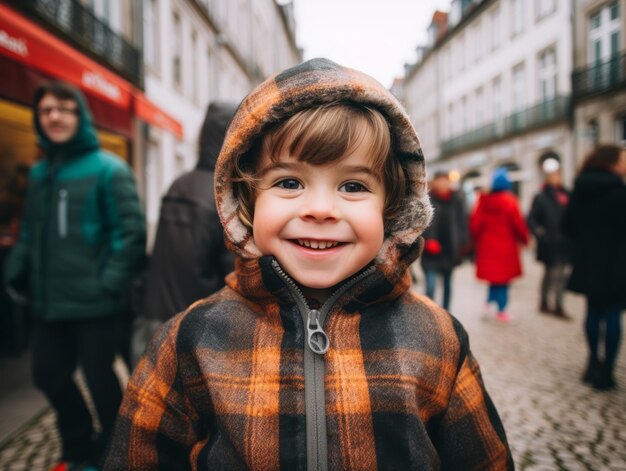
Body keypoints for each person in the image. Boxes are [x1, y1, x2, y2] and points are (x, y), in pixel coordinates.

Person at [104, 58, 513, 470]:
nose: (320, 209)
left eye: (353, 186)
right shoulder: (188, 341)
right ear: (245, 201)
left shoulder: (437, 339)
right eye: (289, 182)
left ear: (391, 209)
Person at [3, 81, 146, 470]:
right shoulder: (39, 173)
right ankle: (78, 445)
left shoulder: (108, 168)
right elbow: (31, 231)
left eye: (64, 109)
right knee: (48, 375)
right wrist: (16, 272)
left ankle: (114, 453)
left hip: (96, 304)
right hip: (48, 301)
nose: (54, 116)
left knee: (101, 383)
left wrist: (108, 283)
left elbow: (130, 233)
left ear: (79, 116)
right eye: (46, 110)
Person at [131, 102, 238, 367]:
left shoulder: (182, 183)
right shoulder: (222, 193)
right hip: (196, 323)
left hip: (159, 314)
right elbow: (228, 270)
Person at [562, 144, 626, 390]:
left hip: (588, 261)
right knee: (612, 315)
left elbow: (567, 226)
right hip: (616, 263)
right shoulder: (620, 191)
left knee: (593, 312)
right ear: (612, 163)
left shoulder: (580, 188)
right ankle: (607, 370)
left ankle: (592, 362)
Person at [470, 167, 529, 323]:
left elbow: (475, 226)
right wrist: (525, 239)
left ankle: (488, 304)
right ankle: (501, 310)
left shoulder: (483, 201)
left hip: (487, 246)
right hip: (506, 247)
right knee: (503, 280)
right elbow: (518, 224)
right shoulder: (510, 201)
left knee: (494, 279)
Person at [527, 159, 571, 319]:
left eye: (556, 175)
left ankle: (559, 304)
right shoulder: (541, 197)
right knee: (551, 273)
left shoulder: (566, 194)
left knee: (562, 275)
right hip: (550, 243)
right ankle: (545, 301)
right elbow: (532, 219)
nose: (554, 178)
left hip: (565, 242)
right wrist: (541, 233)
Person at [420, 171, 468, 310]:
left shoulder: (457, 200)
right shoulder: (427, 199)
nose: (442, 184)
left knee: (447, 285)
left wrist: (462, 243)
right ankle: (429, 313)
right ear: (434, 182)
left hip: (450, 250)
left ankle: (447, 313)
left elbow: (463, 222)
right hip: (431, 253)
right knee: (430, 286)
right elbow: (420, 224)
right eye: (439, 181)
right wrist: (427, 240)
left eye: (445, 181)